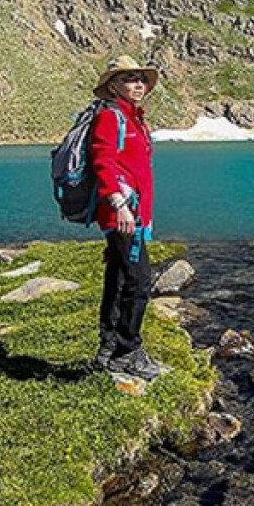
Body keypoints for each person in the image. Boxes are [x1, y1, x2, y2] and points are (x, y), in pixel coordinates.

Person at [89, 55, 164, 380]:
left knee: (119, 278)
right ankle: (128, 350)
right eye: (129, 79)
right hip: (121, 211)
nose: (138, 84)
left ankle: (108, 348)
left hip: (133, 214)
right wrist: (119, 203)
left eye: (141, 79)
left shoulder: (135, 120)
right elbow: (102, 162)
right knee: (139, 280)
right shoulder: (110, 116)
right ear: (113, 86)